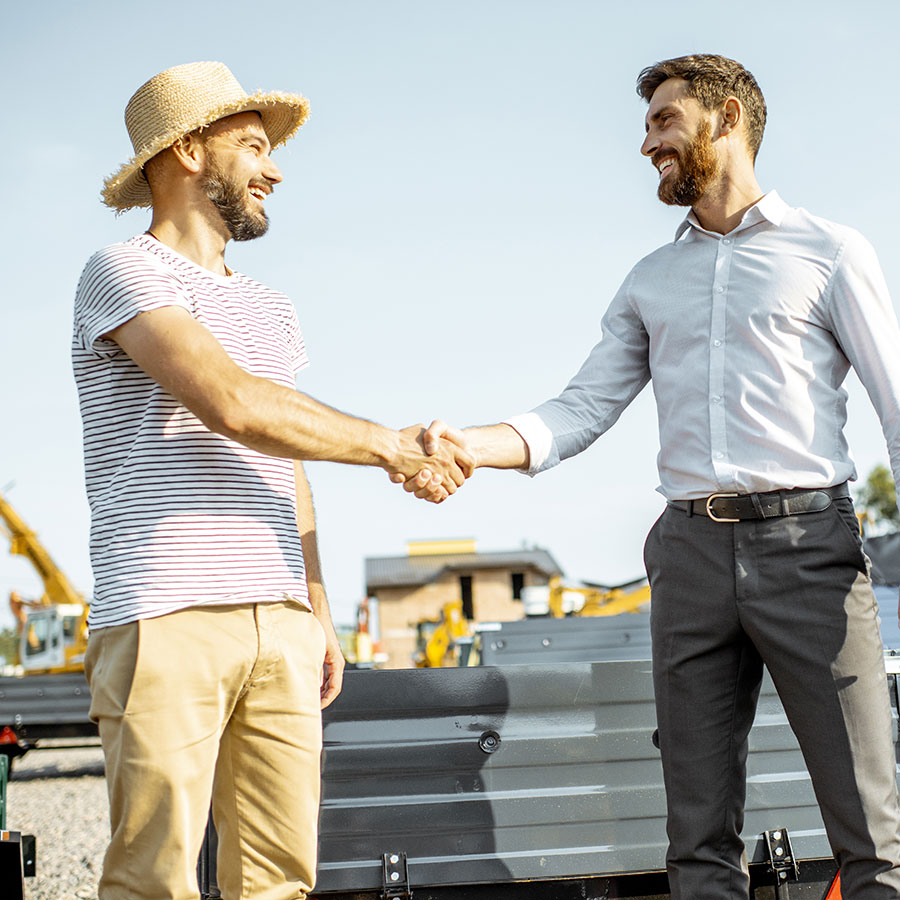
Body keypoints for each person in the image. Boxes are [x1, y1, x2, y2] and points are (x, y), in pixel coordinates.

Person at [404, 54, 900, 899]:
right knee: (697, 837)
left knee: (872, 828)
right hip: (689, 555)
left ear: (728, 118)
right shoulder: (650, 279)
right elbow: (580, 409)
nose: (646, 144)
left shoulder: (830, 252)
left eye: (663, 121)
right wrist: (466, 445)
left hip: (809, 548)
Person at [72, 61, 472, 900]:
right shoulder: (121, 270)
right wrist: (393, 447)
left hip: (279, 620)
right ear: (186, 150)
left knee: (281, 883)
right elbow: (233, 403)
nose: (276, 168)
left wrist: (316, 609)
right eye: (253, 146)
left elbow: (281, 461)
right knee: (154, 882)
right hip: (166, 609)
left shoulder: (271, 306)